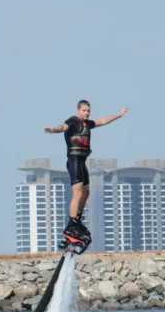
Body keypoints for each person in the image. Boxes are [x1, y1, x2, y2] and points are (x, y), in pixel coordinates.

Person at [44, 100, 128, 244]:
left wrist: (118, 115)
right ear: (78, 110)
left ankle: (77, 220)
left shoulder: (87, 124)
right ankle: (71, 226)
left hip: (82, 162)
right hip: (74, 161)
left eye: (88, 111)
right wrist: (53, 130)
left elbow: (102, 121)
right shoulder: (72, 122)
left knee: (86, 191)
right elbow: (62, 127)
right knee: (77, 193)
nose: (87, 113)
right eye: (84, 110)